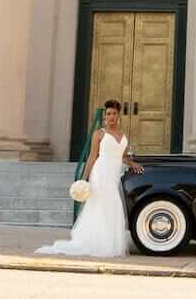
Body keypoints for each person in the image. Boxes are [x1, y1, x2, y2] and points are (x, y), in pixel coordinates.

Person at [36, 98, 144, 258]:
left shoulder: (122, 134)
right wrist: (84, 178)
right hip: (101, 172)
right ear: (104, 116)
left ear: (118, 115)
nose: (111, 117)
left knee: (113, 206)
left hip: (114, 174)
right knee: (101, 206)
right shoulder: (99, 134)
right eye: (108, 114)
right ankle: (97, 243)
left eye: (114, 113)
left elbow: (122, 157)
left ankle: (109, 243)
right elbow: (92, 157)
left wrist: (132, 163)